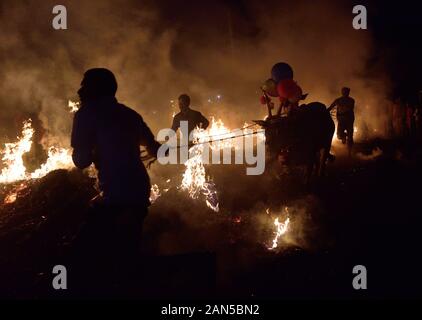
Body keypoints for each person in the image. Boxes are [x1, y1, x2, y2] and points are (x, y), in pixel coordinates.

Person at [70, 68, 161, 297]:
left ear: (95, 89)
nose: (80, 90)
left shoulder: (86, 114)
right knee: (128, 251)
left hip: (116, 196)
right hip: (139, 190)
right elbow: (155, 148)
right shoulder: (130, 114)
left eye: (84, 85)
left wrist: (92, 151)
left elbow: (81, 161)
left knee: (90, 255)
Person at [328, 87, 355, 155]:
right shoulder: (338, 100)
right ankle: (344, 136)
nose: (345, 93)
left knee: (350, 137)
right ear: (342, 92)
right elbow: (331, 107)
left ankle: (349, 153)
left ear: (348, 92)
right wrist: (326, 111)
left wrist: (340, 108)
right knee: (339, 135)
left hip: (349, 120)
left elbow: (348, 108)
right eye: (344, 91)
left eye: (346, 92)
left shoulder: (351, 100)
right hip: (341, 120)